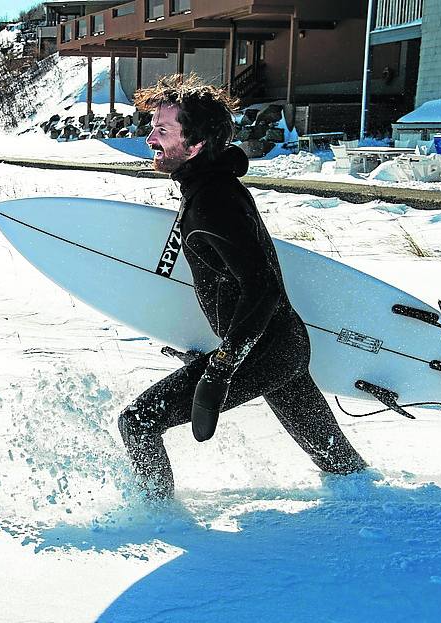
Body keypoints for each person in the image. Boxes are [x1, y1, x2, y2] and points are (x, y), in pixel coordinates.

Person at [118, 75, 367, 499]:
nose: (150, 138)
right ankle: (378, 504)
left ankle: (156, 518)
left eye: (162, 130)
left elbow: (262, 289)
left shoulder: (214, 199)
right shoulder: (208, 188)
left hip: (263, 350)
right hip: (276, 345)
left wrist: (221, 367)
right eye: (152, 127)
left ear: (195, 146)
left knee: (138, 421)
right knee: (338, 463)